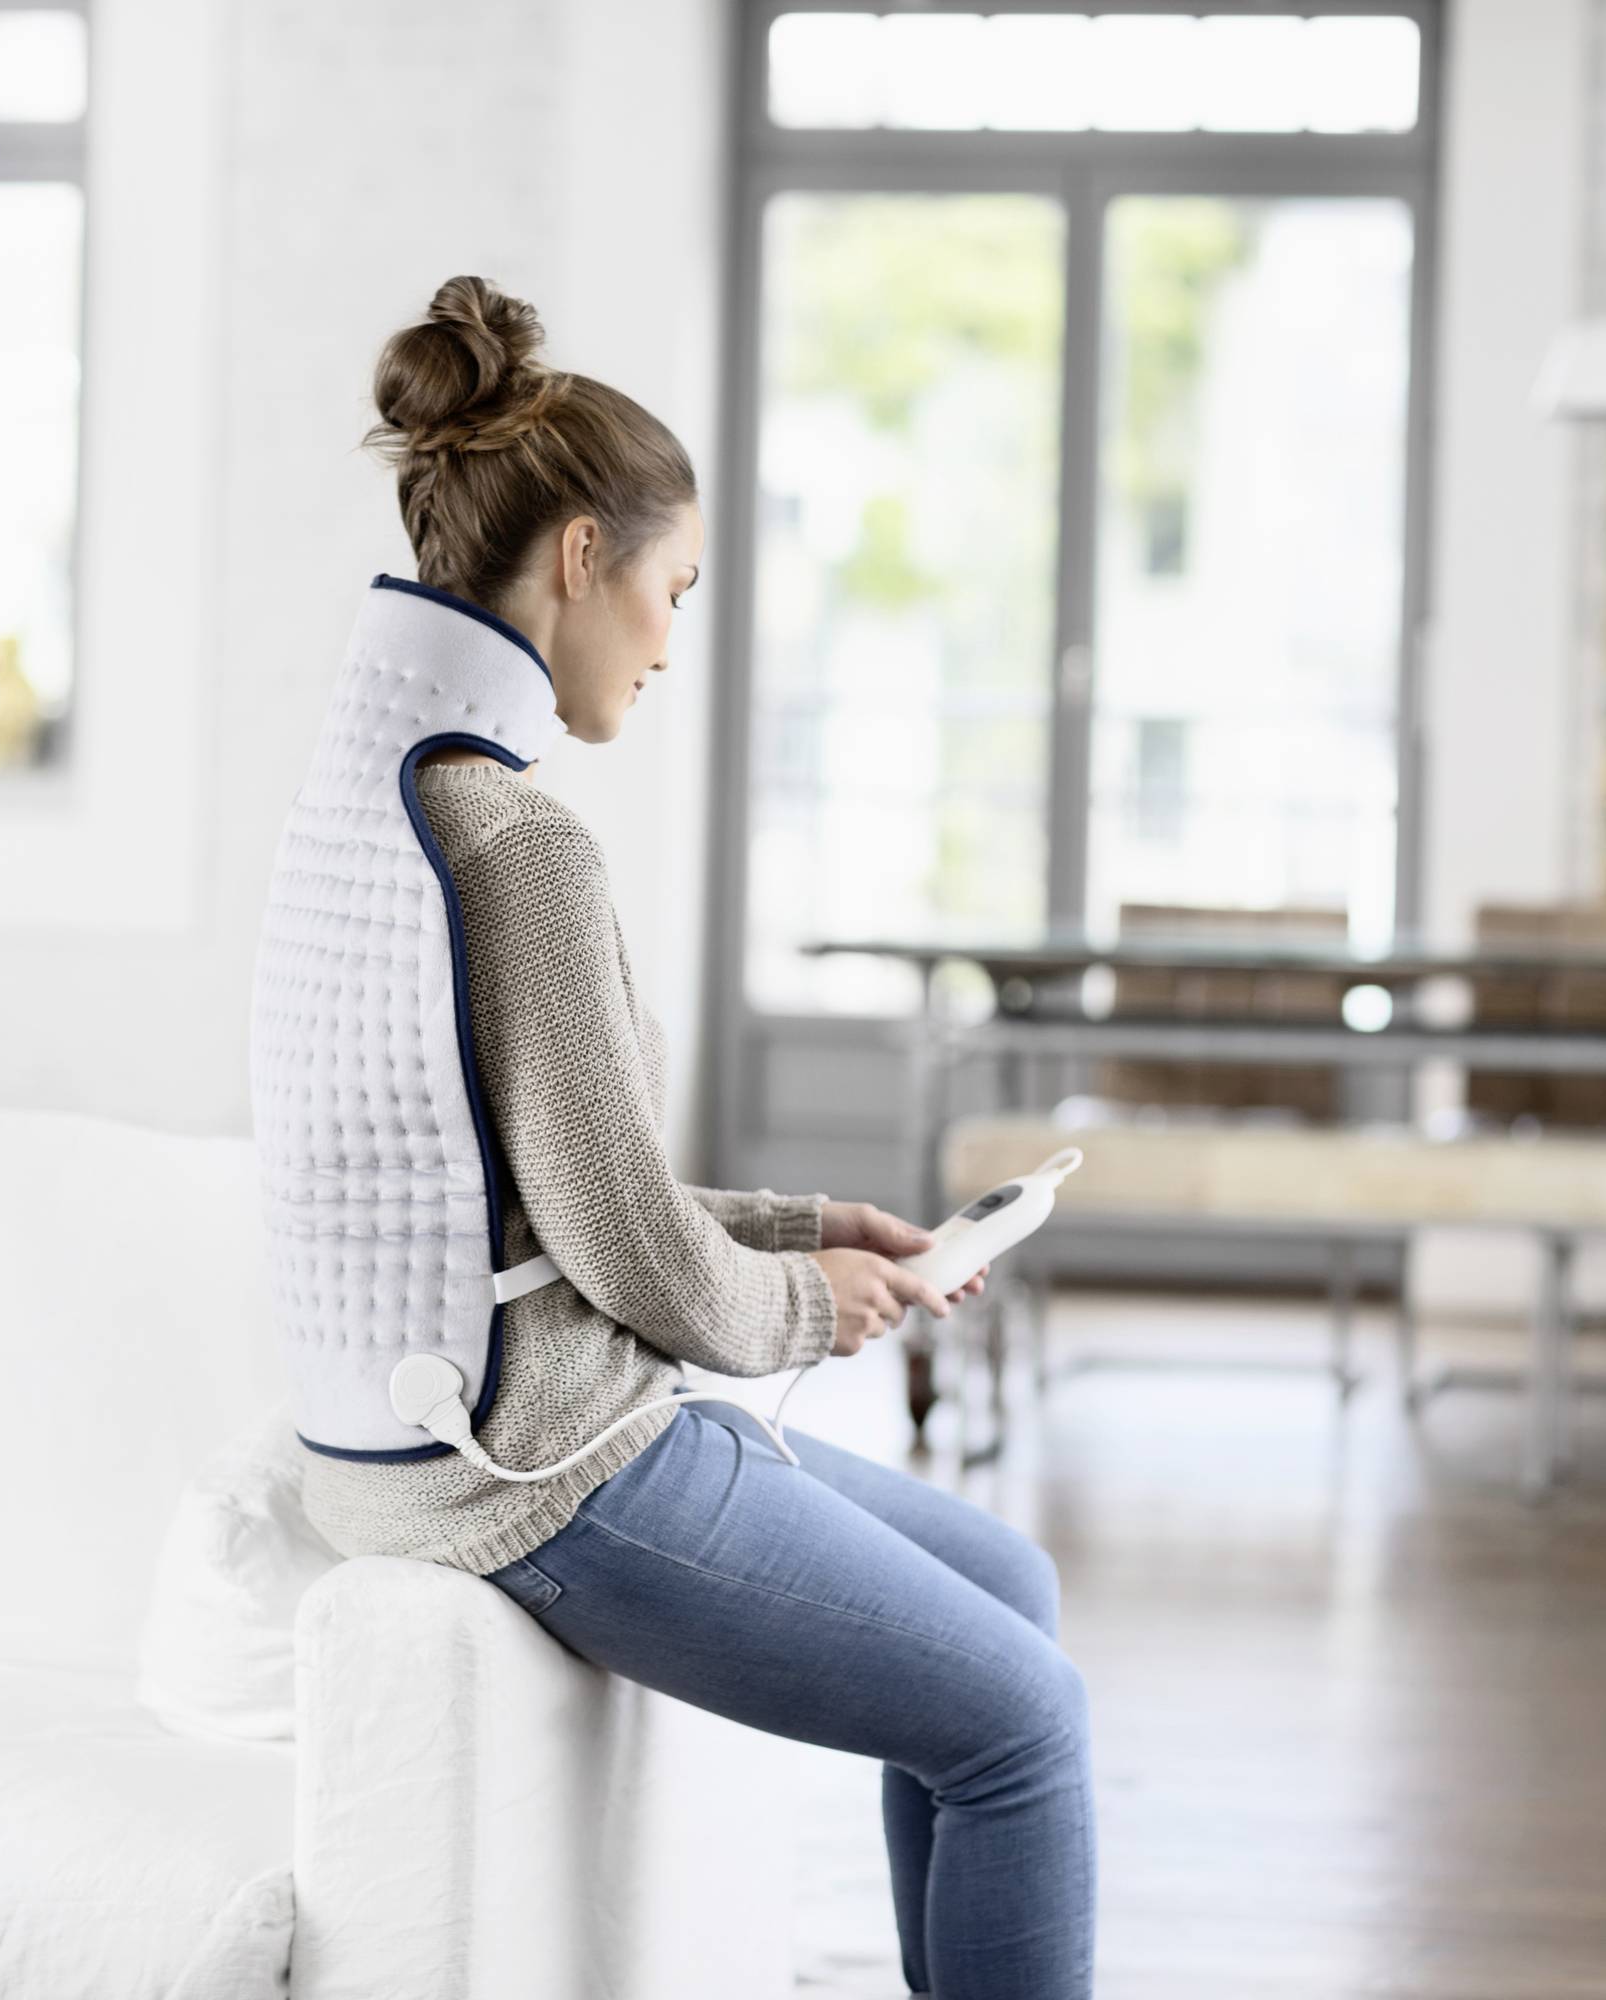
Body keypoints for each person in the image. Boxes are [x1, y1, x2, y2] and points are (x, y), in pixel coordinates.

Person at [282, 274, 1095, 2000]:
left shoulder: (383, 799)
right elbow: (625, 1246)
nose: (667, 640)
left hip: (432, 1443)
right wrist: (812, 1315)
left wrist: (813, 1230)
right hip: (544, 1472)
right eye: (671, 590)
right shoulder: (522, 846)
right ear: (578, 557)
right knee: (1024, 1725)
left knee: (1009, 1588)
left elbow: (545, 1180)